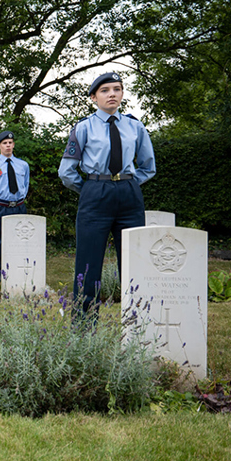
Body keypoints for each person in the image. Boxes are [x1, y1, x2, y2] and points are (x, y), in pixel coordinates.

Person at [59, 72, 156, 314]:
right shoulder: (84, 128)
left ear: (122, 93)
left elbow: (148, 166)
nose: (112, 94)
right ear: (93, 97)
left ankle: (138, 326)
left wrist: (127, 183)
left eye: (117, 89)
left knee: (135, 262)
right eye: (105, 90)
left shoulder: (135, 126)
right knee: (88, 263)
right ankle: (84, 328)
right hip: (95, 194)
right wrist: (92, 188)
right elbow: (66, 171)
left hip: (128, 195)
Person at [0, 130, 30, 292]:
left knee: (20, 243)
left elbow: (25, 184)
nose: (8, 145)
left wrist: (19, 201)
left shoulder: (23, 165)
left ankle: (18, 279)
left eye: (10, 143)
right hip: (0, 207)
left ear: (13, 145)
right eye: (4, 143)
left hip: (18, 207)